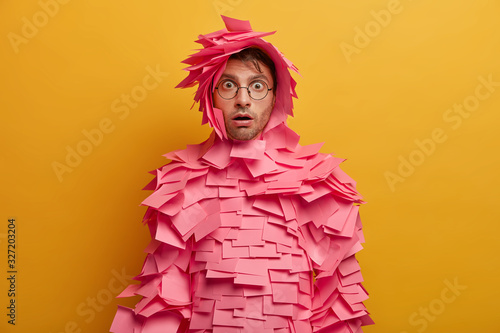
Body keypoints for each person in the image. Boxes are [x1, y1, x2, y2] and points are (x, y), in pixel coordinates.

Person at [110, 15, 373, 333]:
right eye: (229, 85)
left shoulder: (318, 182)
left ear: (276, 96)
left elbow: (340, 304)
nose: (243, 99)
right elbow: (164, 297)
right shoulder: (180, 182)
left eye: (257, 86)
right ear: (211, 96)